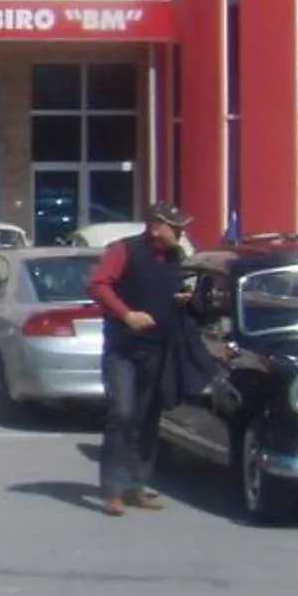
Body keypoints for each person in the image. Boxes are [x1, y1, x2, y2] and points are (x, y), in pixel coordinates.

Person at [87, 202, 200, 516]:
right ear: (154, 226)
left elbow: (180, 287)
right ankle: (112, 490)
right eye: (173, 227)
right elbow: (98, 284)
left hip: (158, 347)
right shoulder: (125, 251)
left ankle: (136, 485)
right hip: (123, 347)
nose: (179, 233)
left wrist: (183, 298)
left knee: (147, 416)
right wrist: (127, 314)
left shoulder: (177, 255)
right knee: (122, 413)